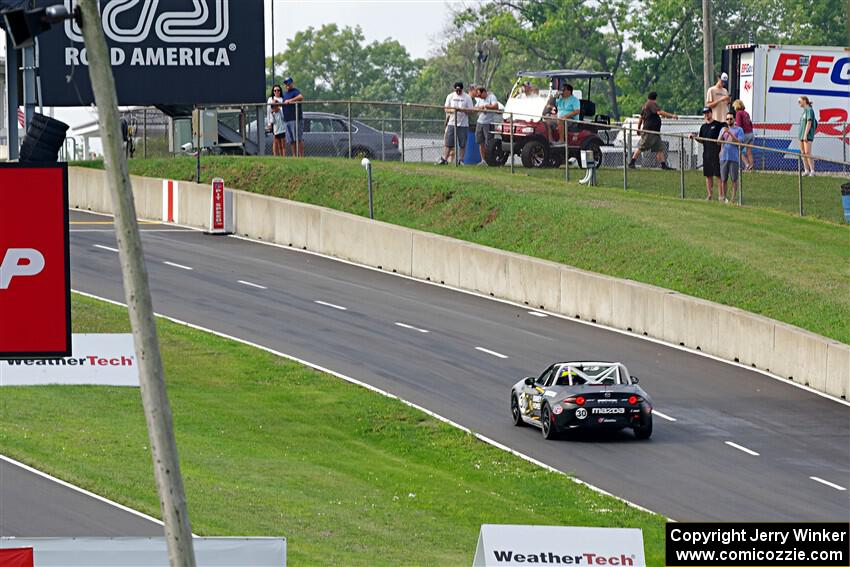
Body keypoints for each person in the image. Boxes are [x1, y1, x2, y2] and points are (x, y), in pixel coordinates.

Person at [628, 92, 678, 170]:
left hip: (655, 132)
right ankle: (632, 162)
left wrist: (638, 128)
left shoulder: (645, 105)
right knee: (642, 147)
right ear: (655, 98)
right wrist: (672, 116)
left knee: (659, 149)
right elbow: (659, 112)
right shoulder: (651, 104)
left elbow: (641, 118)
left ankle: (663, 165)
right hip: (650, 131)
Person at [690, 106, 724, 201]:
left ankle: (721, 195)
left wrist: (721, 149)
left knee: (718, 175)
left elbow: (723, 135)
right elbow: (702, 140)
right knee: (708, 175)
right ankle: (709, 195)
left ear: (711, 113)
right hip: (707, 154)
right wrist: (695, 137)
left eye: (707, 113)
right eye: (704, 113)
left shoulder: (717, 125)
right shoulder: (703, 127)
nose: (706, 115)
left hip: (716, 153)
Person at [437, 81, 474, 165]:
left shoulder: (467, 97)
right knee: (448, 142)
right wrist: (454, 110)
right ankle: (444, 159)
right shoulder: (450, 96)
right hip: (452, 123)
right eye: (456, 90)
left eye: (459, 90)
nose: (458, 92)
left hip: (463, 124)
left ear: (462, 89)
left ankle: (461, 160)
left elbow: (471, 110)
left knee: (462, 143)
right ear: (454, 89)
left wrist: (462, 110)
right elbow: (446, 109)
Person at [719, 111, 744, 204]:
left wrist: (730, 133)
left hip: (734, 157)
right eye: (727, 119)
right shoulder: (723, 129)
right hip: (724, 157)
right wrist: (723, 134)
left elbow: (739, 142)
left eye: (731, 119)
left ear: (734, 119)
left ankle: (733, 198)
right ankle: (724, 197)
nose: (729, 120)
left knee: (734, 179)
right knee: (723, 179)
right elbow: (718, 142)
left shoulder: (739, 130)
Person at [474, 86, 500, 165]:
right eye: (478, 95)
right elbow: (474, 108)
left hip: (488, 123)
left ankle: (490, 159)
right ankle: (483, 160)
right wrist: (479, 108)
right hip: (480, 122)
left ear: (484, 92)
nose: (479, 97)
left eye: (480, 95)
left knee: (488, 142)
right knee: (480, 142)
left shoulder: (492, 97)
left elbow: (496, 106)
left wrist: (486, 106)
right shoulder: (479, 100)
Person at [281, 77, 304, 157]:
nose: (287, 85)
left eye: (288, 83)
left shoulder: (295, 91)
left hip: (296, 119)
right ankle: (294, 155)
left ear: (292, 83)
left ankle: (301, 156)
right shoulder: (284, 94)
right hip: (287, 119)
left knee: (298, 138)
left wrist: (290, 101)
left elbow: (300, 97)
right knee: (291, 140)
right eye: (286, 84)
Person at [732, 99, 754, 170]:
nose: (734, 108)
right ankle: (751, 165)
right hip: (751, 134)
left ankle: (747, 164)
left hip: (745, 134)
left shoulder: (738, 113)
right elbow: (750, 123)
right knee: (749, 151)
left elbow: (739, 126)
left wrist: (736, 133)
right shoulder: (746, 113)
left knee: (736, 149)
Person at [798, 96, 817, 176]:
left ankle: (812, 171)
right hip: (801, 135)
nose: (798, 103)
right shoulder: (804, 111)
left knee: (807, 152)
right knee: (803, 153)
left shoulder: (809, 110)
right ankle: (806, 170)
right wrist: (801, 135)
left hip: (807, 135)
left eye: (800, 101)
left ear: (805, 101)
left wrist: (805, 135)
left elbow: (809, 123)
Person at [267, 85, 286, 157]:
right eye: (275, 90)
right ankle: (275, 156)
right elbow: (269, 111)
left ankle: (283, 157)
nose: (276, 92)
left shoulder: (283, 99)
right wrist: (269, 123)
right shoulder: (270, 99)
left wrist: (279, 108)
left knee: (282, 143)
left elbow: (283, 111)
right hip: (275, 124)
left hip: (282, 124)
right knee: (275, 141)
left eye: (278, 90)